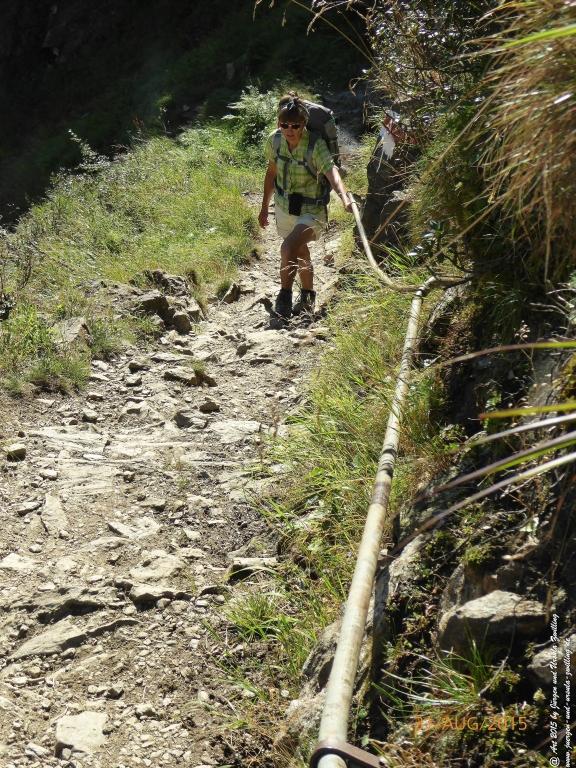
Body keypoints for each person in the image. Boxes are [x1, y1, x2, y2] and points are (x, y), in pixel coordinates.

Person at [258, 93, 352, 322]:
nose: (289, 129)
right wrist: (263, 208)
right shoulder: (275, 141)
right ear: (279, 124)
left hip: (313, 211)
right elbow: (271, 173)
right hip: (284, 207)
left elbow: (332, 173)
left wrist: (344, 196)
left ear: (303, 124)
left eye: (295, 125)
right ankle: (308, 295)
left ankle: (284, 297)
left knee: (289, 246)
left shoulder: (315, 146)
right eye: (284, 124)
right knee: (299, 251)